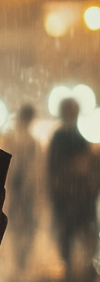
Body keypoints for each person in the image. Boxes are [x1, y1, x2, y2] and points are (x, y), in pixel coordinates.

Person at [47, 96, 98, 270]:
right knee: (73, 229)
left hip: (76, 193)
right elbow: (56, 166)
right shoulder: (63, 135)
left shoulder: (72, 135)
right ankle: (76, 267)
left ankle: (79, 266)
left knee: (75, 229)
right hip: (71, 193)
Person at [2, 103, 41, 269]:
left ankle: (21, 255)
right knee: (24, 223)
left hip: (21, 188)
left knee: (23, 223)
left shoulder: (22, 138)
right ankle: (21, 256)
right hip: (21, 188)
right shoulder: (24, 139)